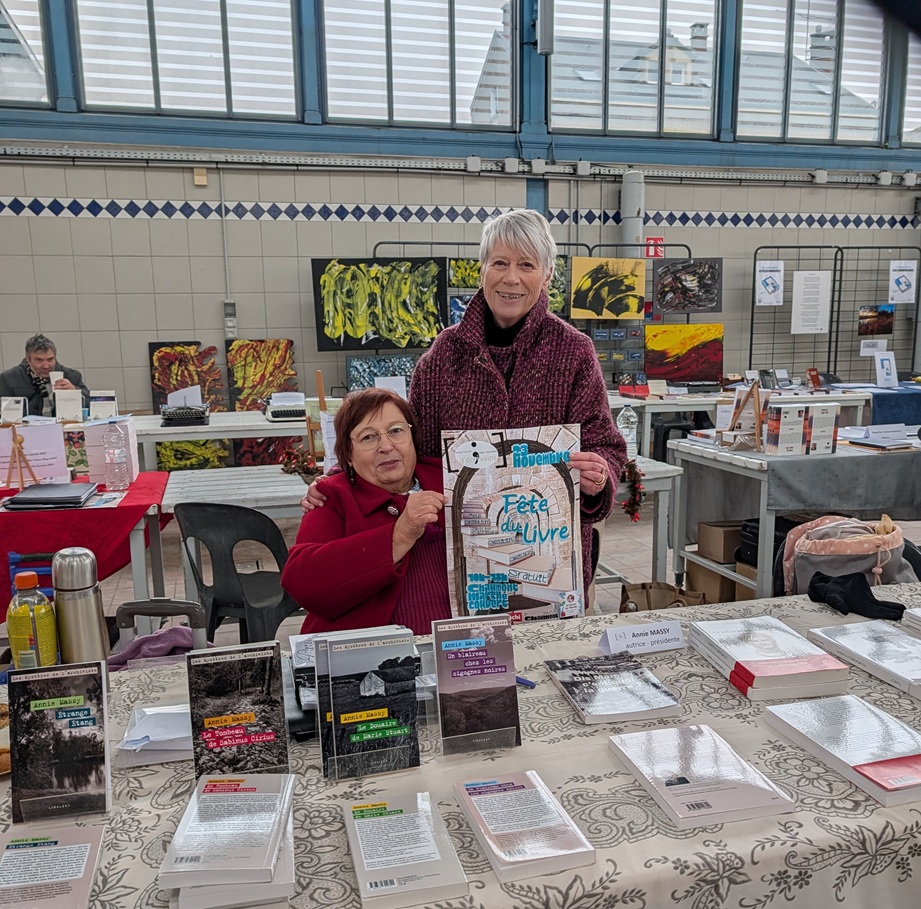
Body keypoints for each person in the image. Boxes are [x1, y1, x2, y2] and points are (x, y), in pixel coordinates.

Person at [305, 209, 626, 601]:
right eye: (500, 263)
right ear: (482, 270)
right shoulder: (442, 358)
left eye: (526, 264)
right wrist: (337, 480)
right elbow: (406, 444)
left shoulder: (574, 352)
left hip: (553, 558)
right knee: (472, 660)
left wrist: (600, 477)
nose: (511, 278)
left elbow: (606, 446)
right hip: (464, 564)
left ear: (546, 275)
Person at [281, 387, 449, 635]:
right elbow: (302, 583)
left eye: (396, 431)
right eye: (368, 437)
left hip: (467, 653)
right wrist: (399, 536)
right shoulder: (332, 495)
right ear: (348, 454)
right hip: (368, 657)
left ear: (412, 437)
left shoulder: (455, 479)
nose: (386, 446)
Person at [0, 333, 90, 418]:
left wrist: (75, 392)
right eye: (39, 360)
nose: (46, 365)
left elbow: (91, 405)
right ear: (28, 359)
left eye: (50, 359)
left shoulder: (71, 376)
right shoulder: (8, 379)